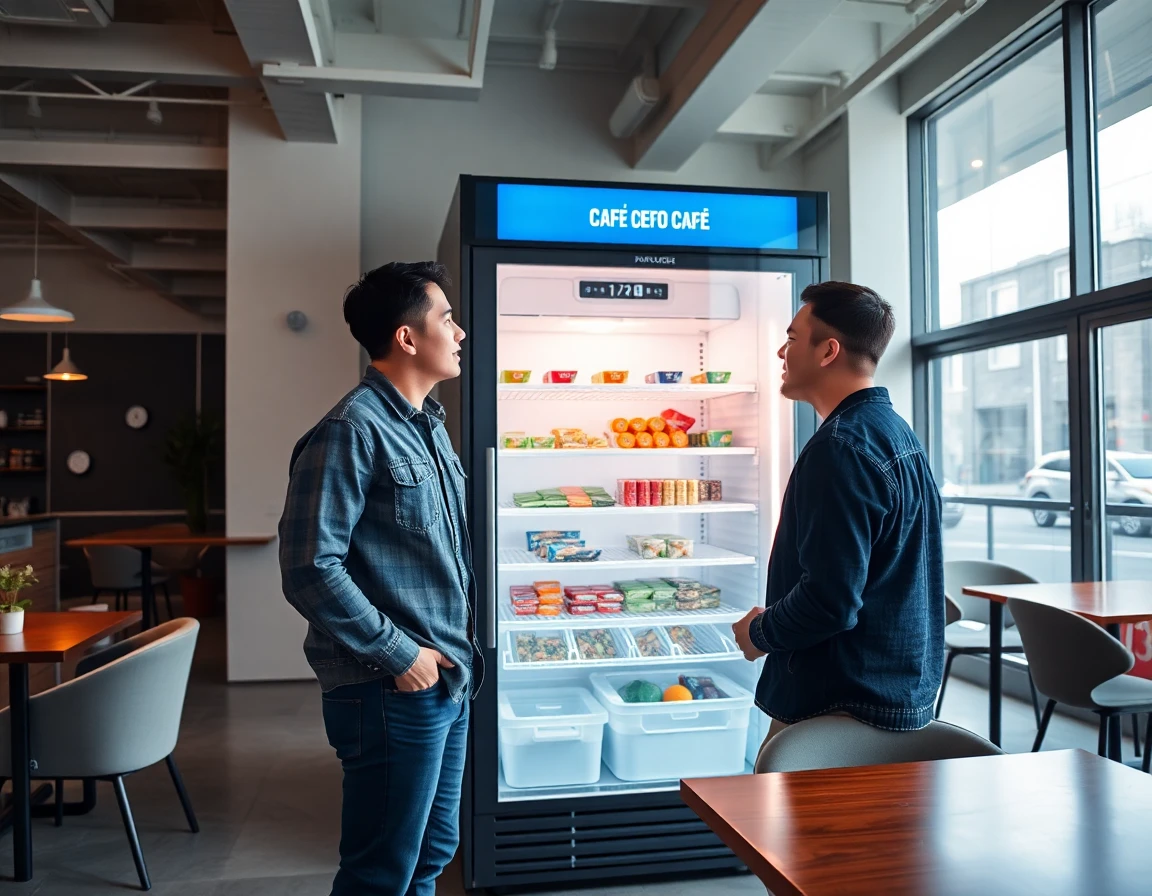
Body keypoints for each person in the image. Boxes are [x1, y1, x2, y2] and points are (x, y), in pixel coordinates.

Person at [278, 261, 482, 895]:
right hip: (390, 686)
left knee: (430, 854)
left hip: (445, 678)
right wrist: (400, 655)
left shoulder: (429, 429)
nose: (460, 331)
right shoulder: (351, 431)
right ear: (407, 338)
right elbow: (309, 567)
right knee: (380, 871)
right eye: (447, 317)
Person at [732, 280, 943, 757]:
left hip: (835, 710)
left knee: (784, 832)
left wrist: (759, 633)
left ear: (828, 351)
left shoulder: (841, 448)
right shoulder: (895, 433)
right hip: (888, 696)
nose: (781, 353)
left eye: (790, 337)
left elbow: (830, 601)